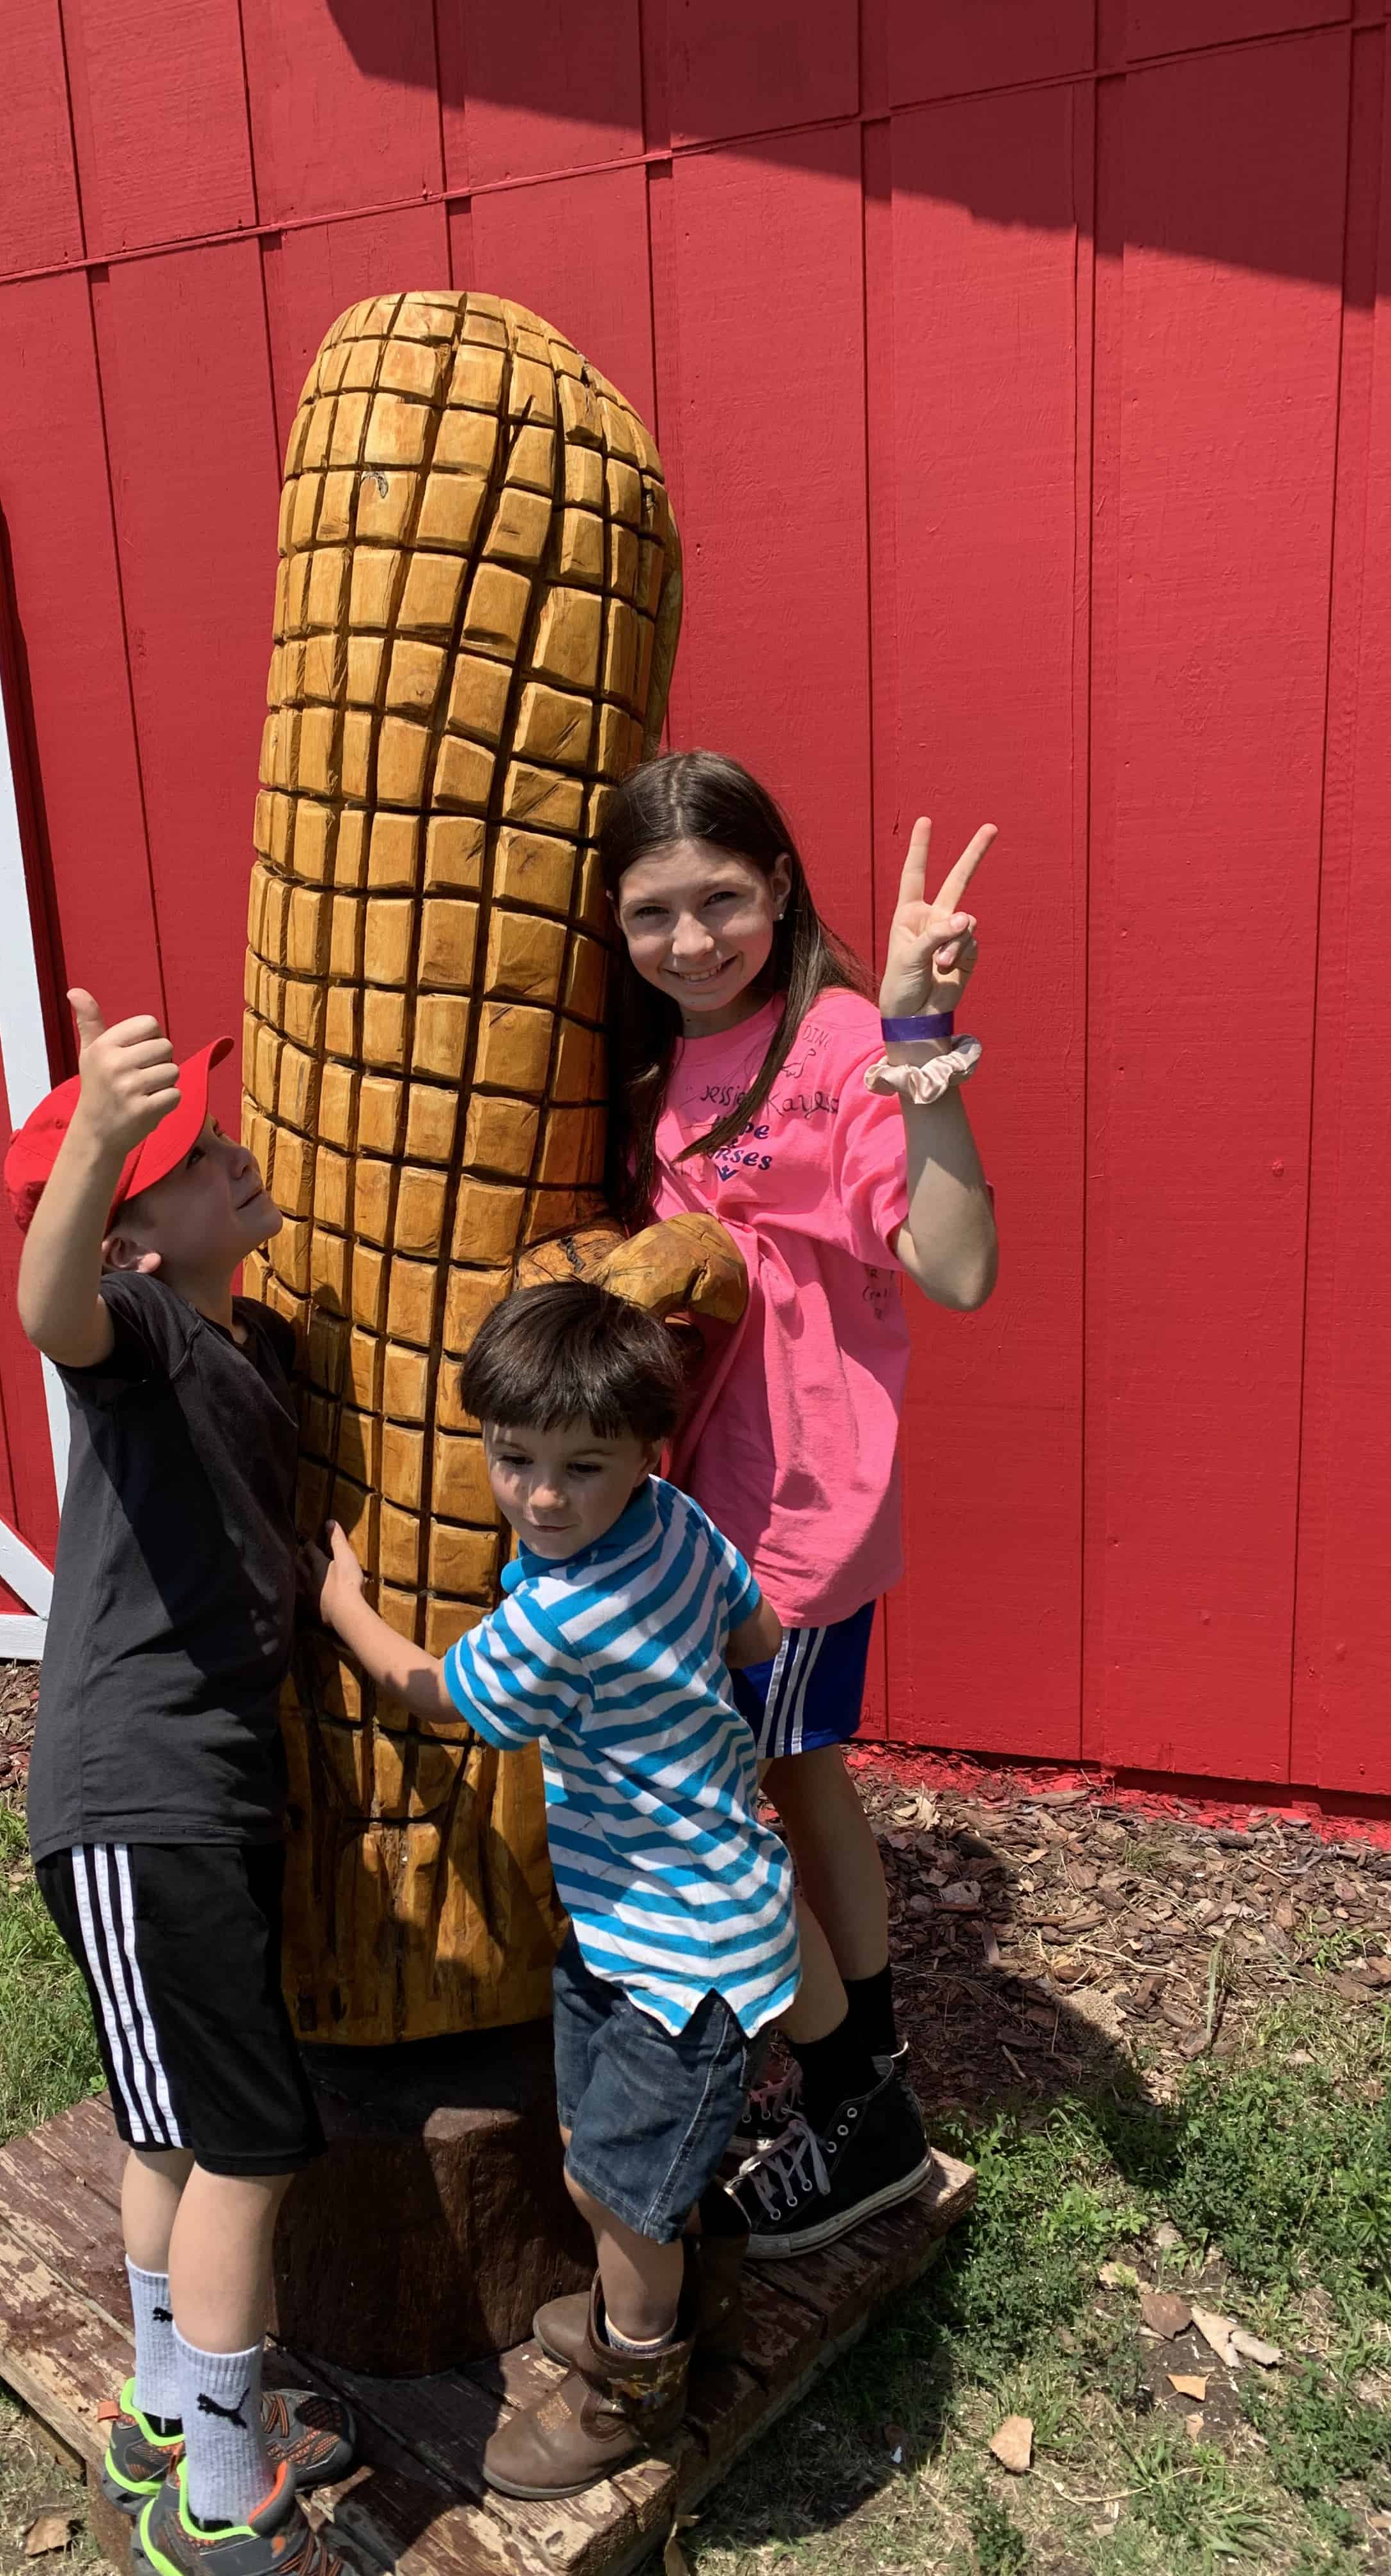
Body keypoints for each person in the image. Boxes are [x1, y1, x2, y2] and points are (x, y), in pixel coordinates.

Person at [311, 1278, 847, 2500]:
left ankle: (631, 2383)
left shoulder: (557, 1619)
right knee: (628, 2160)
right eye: (516, 1459)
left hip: (680, 1954)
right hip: (666, 1914)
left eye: (582, 1468)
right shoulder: (677, 1520)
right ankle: (672, 2297)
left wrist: (346, 1610)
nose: (544, 1497)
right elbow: (757, 1637)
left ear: (643, 1451)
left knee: (612, 2192)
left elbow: (436, 1693)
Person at [599, 747, 999, 2255]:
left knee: (743, 1796)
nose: (693, 940)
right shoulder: (653, 1065)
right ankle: (858, 2069)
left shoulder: (833, 1042)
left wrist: (920, 1034)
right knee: (795, 1774)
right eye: (654, 912)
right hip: (688, 1498)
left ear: (779, 885)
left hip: (798, 1514)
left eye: (722, 899)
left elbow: (956, 1266)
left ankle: (854, 2106)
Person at [8, 996, 356, 2576]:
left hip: (188, 1795)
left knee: (166, 2134)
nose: (235, 1157)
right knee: (252, 2138)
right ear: (138, 1237)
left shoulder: (240, 1341)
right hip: (143, 1799)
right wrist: (93, 1140)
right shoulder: (141, 1340)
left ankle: (164, 2412)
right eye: (199, 1159)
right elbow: (50, 1305)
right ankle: (224, 2498)